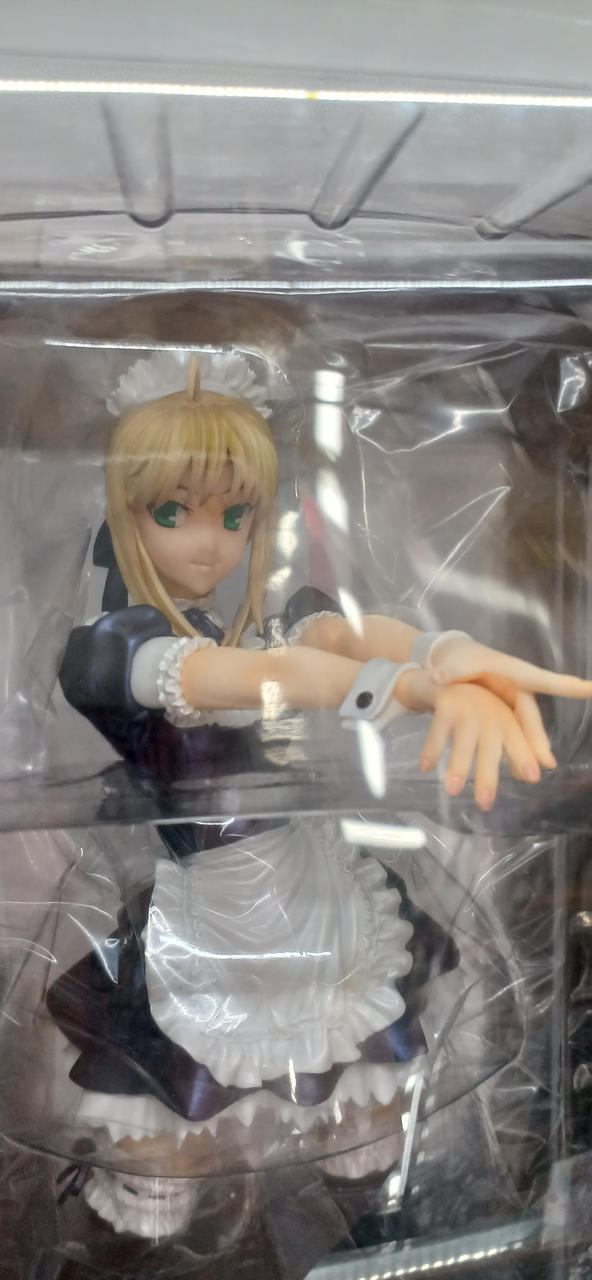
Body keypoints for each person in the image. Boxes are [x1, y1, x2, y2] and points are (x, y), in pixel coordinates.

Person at [48, 350, 592, 1237]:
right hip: (211, 915)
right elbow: (263, 677)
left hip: (315, 889)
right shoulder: (113, 649)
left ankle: (379, 1222)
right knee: (163, 1161)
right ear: (127, 509)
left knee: (364, 1129)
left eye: (235, 515)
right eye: (173, 511)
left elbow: (341, 636)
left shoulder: (263, 614)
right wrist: (408, 689)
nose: (208, 541)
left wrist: (443, 653)